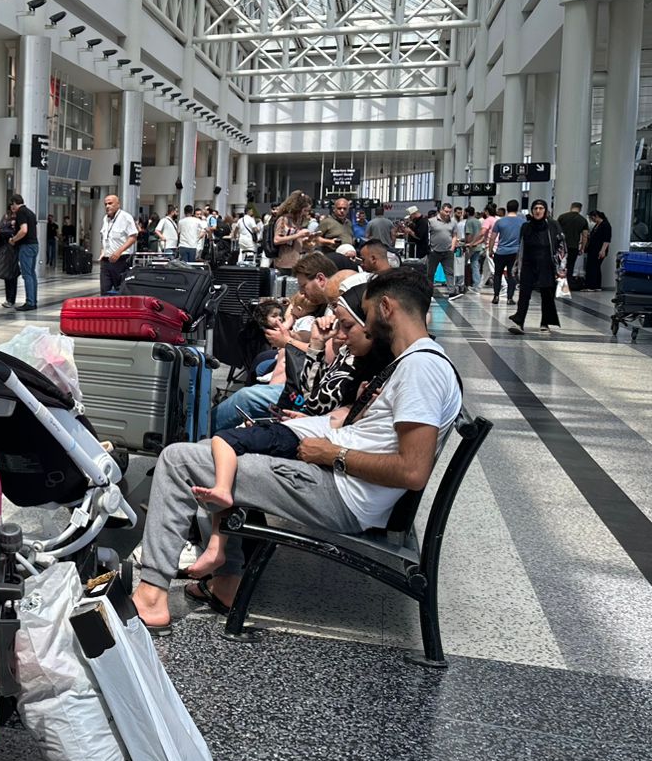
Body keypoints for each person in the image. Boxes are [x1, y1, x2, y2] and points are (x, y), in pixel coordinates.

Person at [132, 266, 461, 622]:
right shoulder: (416, 361)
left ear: (386, 308)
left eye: (366, 314)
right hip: (339, 481)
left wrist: (332, 454)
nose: (365, 325)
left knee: (178, 460)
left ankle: (151, 598)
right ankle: (227, 582)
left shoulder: (421, 369)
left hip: (340, 493)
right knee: (224, 450)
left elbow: (412, 471)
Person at [185, 274, 389, 581]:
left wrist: (317, 347)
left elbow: (316, 402)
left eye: (345, 322)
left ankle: (219, 557)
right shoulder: (353, 354)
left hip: (322, 451)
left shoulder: (361, 361)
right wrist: (318, 346)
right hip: (314, 430)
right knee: (222, 446)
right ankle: (225, 560)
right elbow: (311, 396)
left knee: (215, 450)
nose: (338, 327)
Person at [509, 198, 564, 336]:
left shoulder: (553, 225)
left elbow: (561, 244)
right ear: (532, 211)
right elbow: (521, 246)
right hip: (528, 264)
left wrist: (561, 266)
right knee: (524, 294)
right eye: (535, 208)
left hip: (547, 264)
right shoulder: (526, 226)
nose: (538, 211)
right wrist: (517, 265)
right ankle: (519, 322)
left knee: (547, 294)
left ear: (545, 210)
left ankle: (545, 322)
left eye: (541, 208)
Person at [98, 193, 139, 295]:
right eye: (105, 204)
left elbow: (133, 237)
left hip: (120, 261)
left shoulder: (126, 217)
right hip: (106, 261)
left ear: (118, 204)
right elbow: (104, 237)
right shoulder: (105, 219)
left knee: (120, 291)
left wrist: (119, 252)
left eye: (110, 203)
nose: (107, 206)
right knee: (104, 291)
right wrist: (102, 251)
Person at [488, 199, 524, 306]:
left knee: (498, 274)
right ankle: (509, 298)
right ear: (517, 208)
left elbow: (492, 237)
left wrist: (490, 250)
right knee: (511, 275)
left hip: (501, 252)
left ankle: (496, 296)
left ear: (507, 209)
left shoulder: (500, 222)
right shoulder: (522, 222)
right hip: (515, 253)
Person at [7, 192, 39, 310]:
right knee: (32, 274)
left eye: (12, 204)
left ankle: (30, 302)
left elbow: (24, 230)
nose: (11, 207)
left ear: (15, 203)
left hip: (26, 247)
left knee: (27, 275)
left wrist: (13, 239)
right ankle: (33, 300)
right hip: (34, 245)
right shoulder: (30, 212)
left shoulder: (21, 212)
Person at [268, 193, 313, 270]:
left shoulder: (297, 221)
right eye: (304, 210)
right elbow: (277, 240)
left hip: (296, 262)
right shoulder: (283, 219)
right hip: (284, 263)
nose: (306, 213)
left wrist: (306, 240)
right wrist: (298, 235)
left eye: (308, 211)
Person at [427, 203, 458, 298]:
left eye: (450, 212)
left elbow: (454, 236)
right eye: (446, 211)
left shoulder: (453, 222)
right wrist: (430, 248)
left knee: (449, 272)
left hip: (448, 251)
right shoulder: (431, 221)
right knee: (430, 272)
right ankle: (429, 291)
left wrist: (452, 247)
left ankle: (451, 291)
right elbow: (427, 235)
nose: (448, 214)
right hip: (434, 251)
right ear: (441, 211)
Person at [556, 202, 589, 287]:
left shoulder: (562, 217)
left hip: (562, 246)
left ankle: (558, 284)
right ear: (580, 209)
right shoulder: (583, 220)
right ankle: (568, 285)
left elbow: (556, 231)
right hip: (574, 246)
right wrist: (582, 248)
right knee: (570, 266)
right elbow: (585, 236)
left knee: (560, 265)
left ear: (571, 207)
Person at [584, 210, 612, 291]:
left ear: (596, 216)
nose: (591, 220)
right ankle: (596, 285)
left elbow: (607, 239)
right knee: (595, 267)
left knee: (593, 267)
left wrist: (603, 250)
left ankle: (591, 286)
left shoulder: (605, 225)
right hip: (593, 249)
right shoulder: (597, 225)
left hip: (598, 249)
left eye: (592, 218)